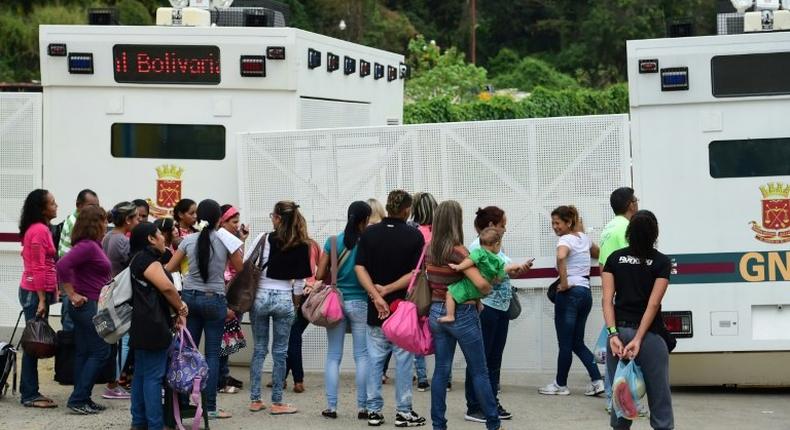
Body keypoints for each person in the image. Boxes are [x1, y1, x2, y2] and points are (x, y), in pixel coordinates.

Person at [426, 200, 501, 430]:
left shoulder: (429, 249)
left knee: (441, 371)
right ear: (456, 221)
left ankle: (438, 424)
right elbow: (481, 284)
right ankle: (492, 421)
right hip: (463, 314)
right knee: (479, 370)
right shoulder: (459, 252)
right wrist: (490, 284)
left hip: (437, 312)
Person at [165, 199, 243, 420]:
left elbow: (169, 269)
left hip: (189, 299)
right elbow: (241, 269)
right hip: (215, 300)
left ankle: (181, 402)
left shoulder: (188, 240)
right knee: (212, 356)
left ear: (198, 217)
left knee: (186, 351)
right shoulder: (226, 241)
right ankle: (209, 407)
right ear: (219, 219)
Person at [355, 190, 426, 427]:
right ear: (407, 209)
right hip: (403, 309)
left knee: (375, 360)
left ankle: (374, 410)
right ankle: (404, 411)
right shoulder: (414, 236)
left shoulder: (369, 234)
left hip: (376, 310)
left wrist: (376, 295)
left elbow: (360, 268)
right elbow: (416, 273)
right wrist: (388, 289)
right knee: (404, 360)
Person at [602, 210, 673, 430]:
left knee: (622, 392)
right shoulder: (661, 262)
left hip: (619, 336)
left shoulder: (614, 259)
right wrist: (639, 338)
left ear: (629, 232)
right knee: (659, 394)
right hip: (649, 335)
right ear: (655, 233)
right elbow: (652, 305)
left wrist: (613, 334)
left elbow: (607, 300)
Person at [464, 206, 531, 423]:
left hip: (500, 307)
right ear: (492, 225)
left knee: (493, 358)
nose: (505, 228)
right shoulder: (478, 246)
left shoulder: (495, 246)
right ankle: (475, 405)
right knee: (481, 358)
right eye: (503, 224)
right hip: (487, 306)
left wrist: (516, 269)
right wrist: (508, 271)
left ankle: (491, 402)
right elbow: (488, 276)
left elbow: (502, 268)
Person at [246, 201, 312, 415]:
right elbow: (301, 281)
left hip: (261, 296)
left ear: (277, 218)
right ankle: (277, 402)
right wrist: (295, 302)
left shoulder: (264, 238)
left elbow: (247, 263)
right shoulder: (303, 243)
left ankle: (255, 399)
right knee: (280, 352)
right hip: (285, 296)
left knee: (259, 349)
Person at [128, 222, 189, 430]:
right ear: (151, 239)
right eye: (159, 235)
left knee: (142, 375)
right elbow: (166, 287)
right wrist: (181, 308)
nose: (164, 238)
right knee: (153, 377)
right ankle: (155, 424)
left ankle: (139, 421)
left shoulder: (136, 259)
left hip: (141, 324)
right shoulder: (147, 260)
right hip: (154, 325)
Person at [315, 201, 372, 419]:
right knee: (362, 355)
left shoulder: (333, 241)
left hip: (335, 303)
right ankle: (362, 407)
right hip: (360, 302)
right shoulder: (368, 242)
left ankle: (331, 407)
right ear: (365, 220)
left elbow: (319, 274)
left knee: (333, 356)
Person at [539, 205, 604, 396]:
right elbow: (598, 253)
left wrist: (565, 283)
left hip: (569, 296)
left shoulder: (565, 240)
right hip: (585, 293)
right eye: (553, 223)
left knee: (565, 343)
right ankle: (597, 381)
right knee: (577, 342)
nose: (555, 227)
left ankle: (560, 384)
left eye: (558, 223)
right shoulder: (583, 238)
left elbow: (561, 257)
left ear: (568, 222)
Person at [56, 205, 113, 415]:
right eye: (104, 221)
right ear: (95, 223)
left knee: (85, 352)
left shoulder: (90, 246)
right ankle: (79, 398)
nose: (106, 225)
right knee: (101, 351)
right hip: (89, 306)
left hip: (88, 306)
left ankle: (83, 397)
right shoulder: (88, 246)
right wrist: (71, 293)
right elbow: (62, 265)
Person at [599, 187, 639, 412]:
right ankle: (618, 399)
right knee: (624, 349)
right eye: (635, 200)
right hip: (625, 294)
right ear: (630, 204)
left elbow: (604, 264)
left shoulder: (608, 227)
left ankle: (610, 397)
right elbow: (630, 261)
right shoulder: (626, 227)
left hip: (611, 291)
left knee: (613, 345)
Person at [18, 189, 59, 409]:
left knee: (34, 340)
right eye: (52, 203)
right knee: (34, 342)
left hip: (34, 291)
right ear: (42, 209)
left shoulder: (37, 229)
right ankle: (29, 394)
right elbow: (38, 267)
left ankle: (30, 390)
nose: (56, 206)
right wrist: (42, 299)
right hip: (34, 292)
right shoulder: (40, 231)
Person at [102, 201, 140, 400]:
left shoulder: (108, 236)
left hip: (110, 291)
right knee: (124, 339)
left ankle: (113, 380)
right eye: (136, 218)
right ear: (127, 220)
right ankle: (115, 382)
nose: (138, 221)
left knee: (115, 341)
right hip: (122, 293)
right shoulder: (123, 241)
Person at [439, 227, 505, 324]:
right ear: (496, 245)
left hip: (472, 286)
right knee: (477, 288)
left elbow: (470, 261)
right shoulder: (500, 261)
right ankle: (479, 305)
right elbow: (500, 277)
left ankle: (450, 315)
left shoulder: (479, 252)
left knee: (450, 293)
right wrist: (496, 280)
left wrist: (459, 266)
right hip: (482, 292)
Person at [57, 189, 99, 332]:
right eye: (91, 206)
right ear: (78, 205)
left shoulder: (74, 219)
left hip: (73, 282)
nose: (95, 210)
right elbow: (64, 262)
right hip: (74, 283)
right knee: (71, 327)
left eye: (97, 206)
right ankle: (69, 354)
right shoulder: (78, 224)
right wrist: (72, 293)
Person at [217, 205, 248, 394]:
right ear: (223, 221)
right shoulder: (223, 238)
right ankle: (220, 378)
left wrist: (241, 240)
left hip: (233, 291)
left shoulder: (230, 239)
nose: (237, 226)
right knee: (224, 336)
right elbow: (239, 266)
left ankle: (224, 374)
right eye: (233, 222)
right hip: (227, 292)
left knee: (228, 336)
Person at [282, 239, 319, 394]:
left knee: (292, 336)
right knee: (293, 335)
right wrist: (314, 284)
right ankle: (285, 377)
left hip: (294, 292)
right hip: (309, 294)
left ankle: (296, 379)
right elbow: (322, 269)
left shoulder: (290, 245)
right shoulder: (314, 245)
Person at [409, 192, 437, 392]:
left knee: (416, 329)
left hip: (417, 285)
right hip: (438, 284)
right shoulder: (441, 231)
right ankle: (446, 377)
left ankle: (422, 377)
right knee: (441, 332)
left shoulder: (412, 230)